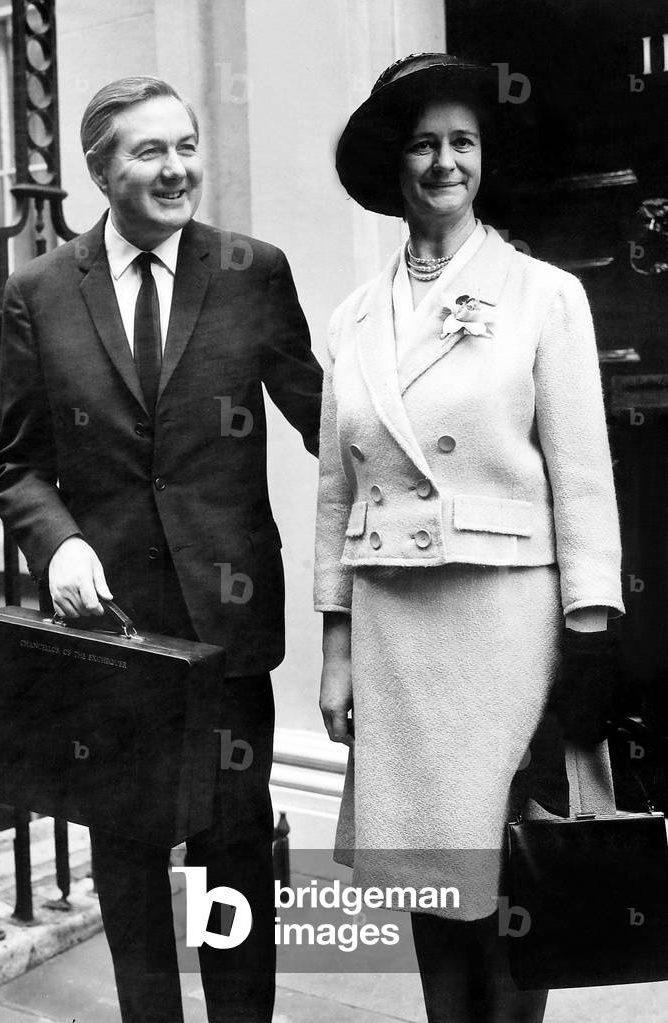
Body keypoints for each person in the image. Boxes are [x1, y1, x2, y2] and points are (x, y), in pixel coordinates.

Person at [0, 76, 322, 1023]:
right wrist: (56, 547)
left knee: (233, 858)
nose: (178, 168)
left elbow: (326, 422)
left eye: (186, 145)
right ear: (100, 169)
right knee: (129, 860)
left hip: (227, 629)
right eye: (150, 151)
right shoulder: (41, 292)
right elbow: (17, 465)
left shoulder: (254, 270)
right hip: (114, 636)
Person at [314, 53, 624, 1023]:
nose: (443, 163)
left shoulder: (543, 296)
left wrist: (590, 634)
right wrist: (334, 651)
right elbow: (334, 493)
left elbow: (582, 479)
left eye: (461, 143)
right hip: (393, 634)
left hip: (504, 631)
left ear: (483, 159)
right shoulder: (353, 318)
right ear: (393, 165)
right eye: (422, 144)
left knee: (513, 888)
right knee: (431, 891)